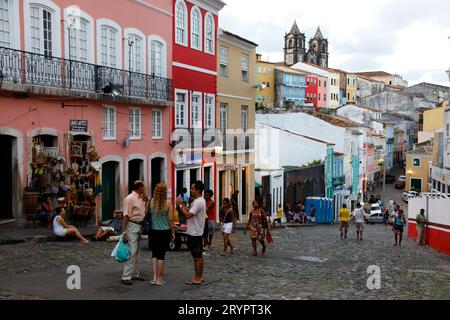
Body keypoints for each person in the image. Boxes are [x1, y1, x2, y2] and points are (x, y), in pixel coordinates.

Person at [176, 181, 206, 285]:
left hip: (195, 233)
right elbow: (190, 211)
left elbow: (188, 215)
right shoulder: (198, 201)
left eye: (193, 189)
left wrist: (180, 206)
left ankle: (197, 278)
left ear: (198, 190)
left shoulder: (198, 202)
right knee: (198, 256)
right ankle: (199, 276)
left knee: (197, 257)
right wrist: (183, 206)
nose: (191, 190)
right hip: (196, 232)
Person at [121, 181, 148, 285]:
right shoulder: (129, 199)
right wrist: (124, 231)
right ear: (140, 187)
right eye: (143, 187)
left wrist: (145, 198)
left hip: (140, 225)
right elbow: (126, 216)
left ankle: (134, 274)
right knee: (132, 251)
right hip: (132, 225)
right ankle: (126, 276)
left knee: (137, 252)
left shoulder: (140, 198)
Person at [149, 183, 175, 286]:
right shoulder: (168, 204)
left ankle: (154, 277)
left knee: (154, 254)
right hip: (164, 231)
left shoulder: (151, 202)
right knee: (161, 255)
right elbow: (171, 219)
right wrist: (173, 232)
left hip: (153, 231)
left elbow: (147, 215)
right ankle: (159, 279)